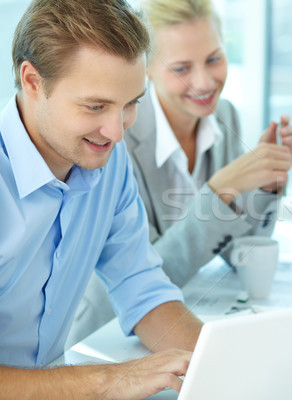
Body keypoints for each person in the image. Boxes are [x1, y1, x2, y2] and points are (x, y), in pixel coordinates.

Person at [69, 0, 292, 345]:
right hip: (107, 334)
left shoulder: (225, 116)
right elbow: (145, 278)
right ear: (145, 69)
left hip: (184, 319)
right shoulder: (115, 137)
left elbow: (237, 251)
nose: (204, 81)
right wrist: (221, 191)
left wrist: (266, 184)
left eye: (214, 59)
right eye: (181, 68)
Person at [0, 0, 203, 398]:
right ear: (32, 81)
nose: (116, 131)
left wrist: (226, 363)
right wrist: (111, 380)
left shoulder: (106, 159)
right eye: (96, 106)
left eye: (131, 104)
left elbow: (141, 287)